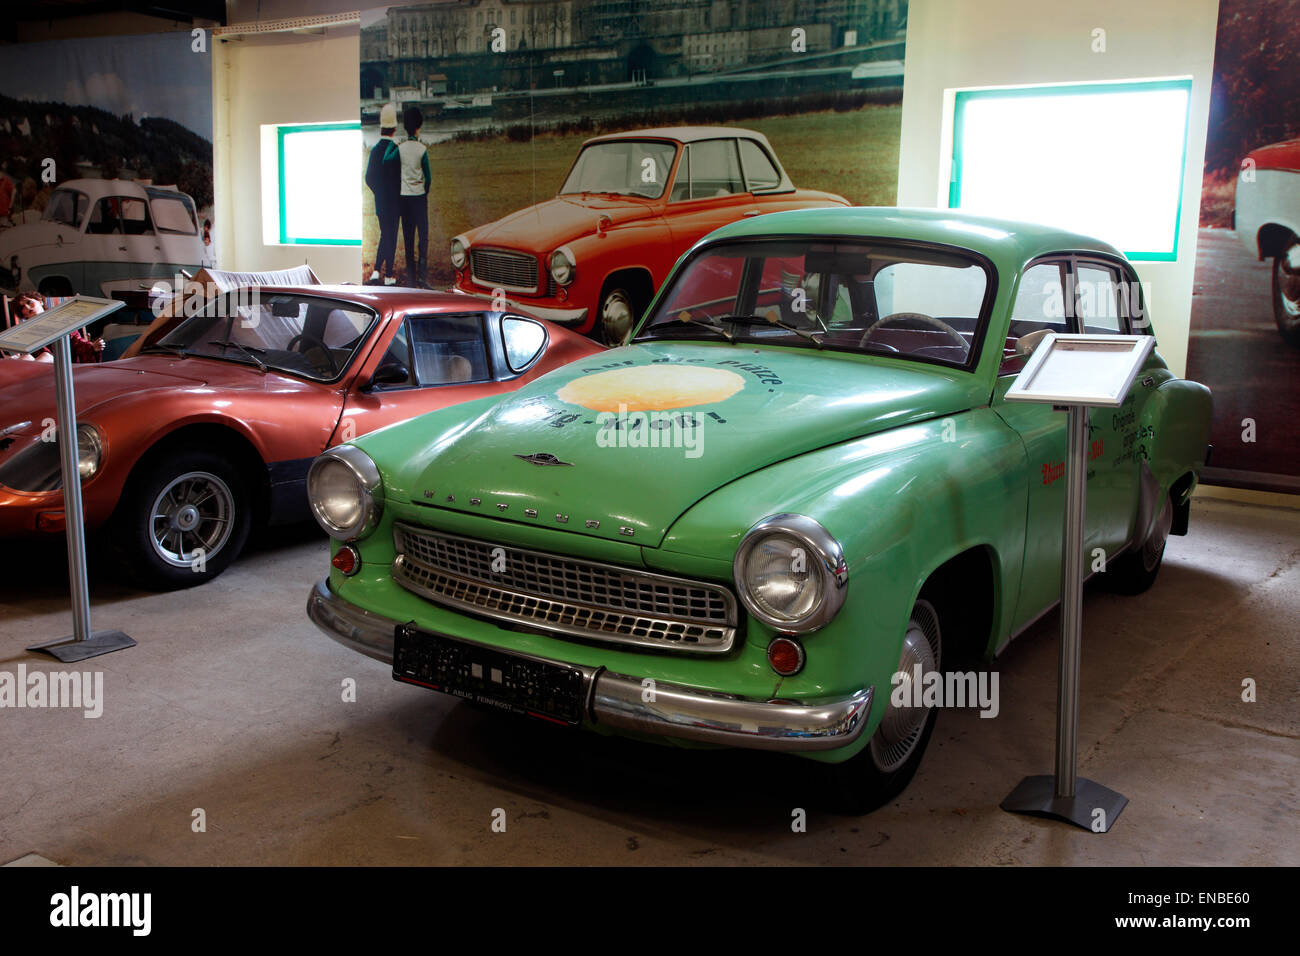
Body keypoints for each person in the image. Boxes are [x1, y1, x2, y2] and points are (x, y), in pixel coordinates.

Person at [3, 292, 104, 363]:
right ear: (24, 316)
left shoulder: (61, 321)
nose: (28, 307)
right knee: (26, 357)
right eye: (22, 308)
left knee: (46, 356)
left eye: (29, 302)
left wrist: (92, 347)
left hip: (62, 364)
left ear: (40, 301)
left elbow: (76, 341)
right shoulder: (26, 331)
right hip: (37, 367)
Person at [365, 103, 402, 285]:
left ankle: (376, 272)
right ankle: (388, 276)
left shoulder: (374, 151)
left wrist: (378, 192)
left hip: (380, 202)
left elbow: (368, 178)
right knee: (391, 236)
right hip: (394, 202)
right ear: (394, 128)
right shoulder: (396, 150)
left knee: (384, 235)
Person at [398, 106, 432, 289]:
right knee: (423, 236)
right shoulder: (422, 149)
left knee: (408, 238)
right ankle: (422, 277)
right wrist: (424, 191)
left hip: (404, 198)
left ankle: (411, 279)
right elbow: (429, 178)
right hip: (419, 197)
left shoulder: (400, 149)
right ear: (419, 126)